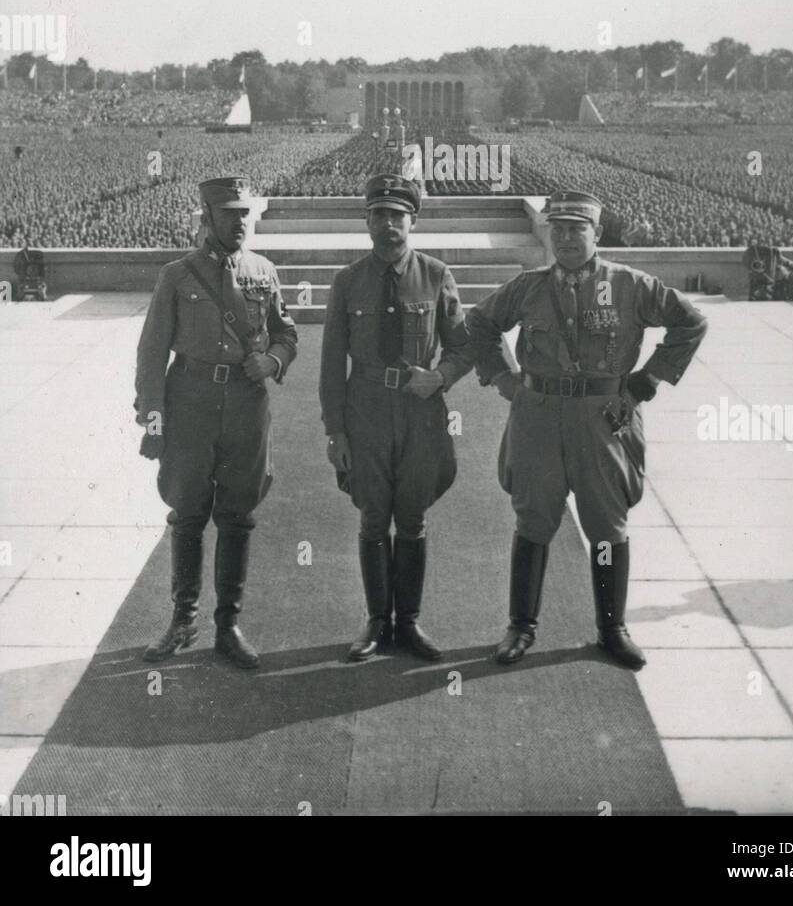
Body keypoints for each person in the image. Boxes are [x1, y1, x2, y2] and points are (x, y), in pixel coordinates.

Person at [467, 189, 707, 669]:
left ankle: (612, 629)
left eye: (578, 229)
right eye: (559, 229)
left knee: (606, 524)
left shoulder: (630, 285)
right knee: (533, 518)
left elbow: (691, 322)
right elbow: (478, 323)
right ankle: (520, 626)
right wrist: (503, 378)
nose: (568, 238)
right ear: (549, 233)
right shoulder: (529, 287)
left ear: (597, 234)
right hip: (538, 416)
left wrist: (644, 382)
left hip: (604, 419)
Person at [134, 176, 297, 669]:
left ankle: (228, 624)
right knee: (187, 511)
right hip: (190, 400)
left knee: (238, 512)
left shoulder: (263, 271)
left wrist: (272, 361)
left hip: (247, 404)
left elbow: (285, 333)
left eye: (245, 213)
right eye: (229, 213)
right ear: (206, 216)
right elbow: (151, 353)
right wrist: (153, 419)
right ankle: (184, 618)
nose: (240, 221)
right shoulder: (178, 276)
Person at [319, 173, 475, 662]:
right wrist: (335, 430)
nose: (389, 225)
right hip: (365, 410)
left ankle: (407, 623)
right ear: (367, 221)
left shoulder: (435, 275)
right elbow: (330, 363)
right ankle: (374, 622)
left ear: (413, 221)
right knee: (371, 517)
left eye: (397, 216)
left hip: (419, 413)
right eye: (379, 215)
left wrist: (442, 377)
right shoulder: (348, 282)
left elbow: (464, 346)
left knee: (411, 517)